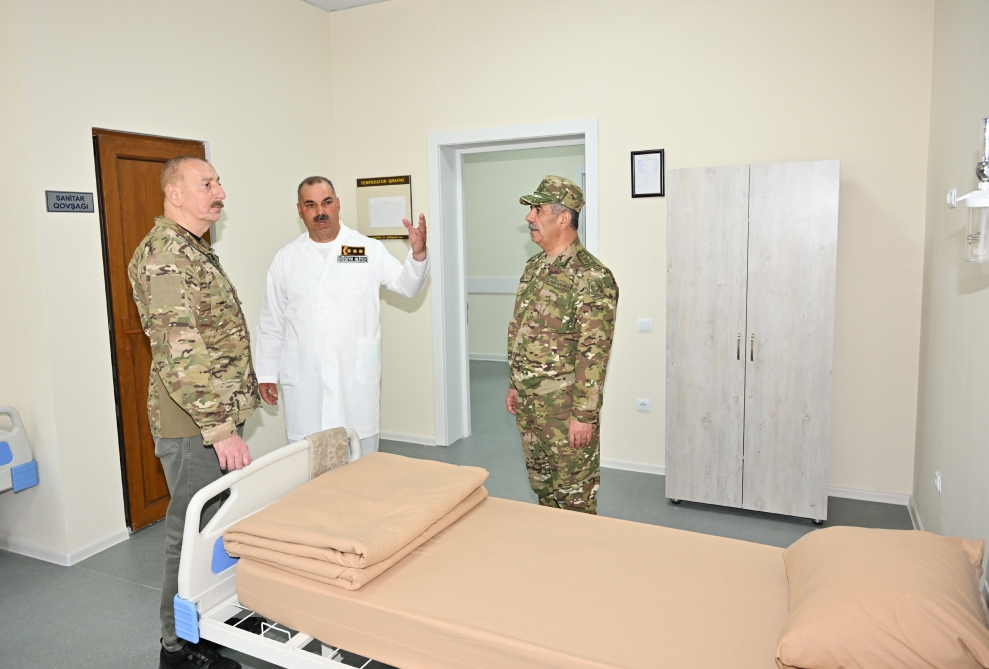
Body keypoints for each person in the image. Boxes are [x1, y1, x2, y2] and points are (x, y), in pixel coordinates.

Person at [128, 155, 259, 669]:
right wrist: (220, 429)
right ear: (175, 193)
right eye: (207, 183)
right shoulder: (164, 255)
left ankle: (204, 624)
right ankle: (177, 648)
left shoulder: (194, 248)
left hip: (212, 416)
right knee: (189, 534)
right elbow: (180, 351)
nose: (219, 191)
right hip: (194, 425)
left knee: (214, 527)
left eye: (219, 182)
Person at [255, 176, 429, 454]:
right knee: (307, 462)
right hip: (305, 382)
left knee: (359, 461)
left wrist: (418, 255)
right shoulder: (286, 258)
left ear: (338, 204)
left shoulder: (367, 249)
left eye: (326, 202)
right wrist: (266, 373)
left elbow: (407, 287)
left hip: (354, 380)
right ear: (299, 210)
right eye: (310, 205)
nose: (320, 212)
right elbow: (271, 322)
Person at [505, 176, 618, 514]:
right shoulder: (535, 267)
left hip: (564, 410)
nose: (529, 217)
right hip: (530, 404)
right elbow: (522, 330)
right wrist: (515, 384)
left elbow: (593, 352)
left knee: (574, 498)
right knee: (543, 489)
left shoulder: (591, 276)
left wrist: (584, 416)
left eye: (537, 210)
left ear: (563, 218)